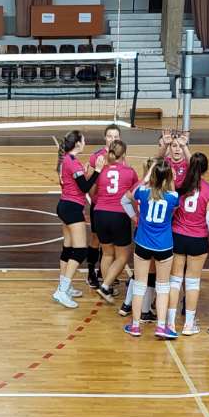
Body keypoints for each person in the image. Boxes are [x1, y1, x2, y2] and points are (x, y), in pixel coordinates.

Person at [125, 159, 179, 340]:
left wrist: (149, 173)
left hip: (143, 244)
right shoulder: (173, 197)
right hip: (164, 246)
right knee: (163, 287)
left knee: (139, 285)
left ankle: (135, 325)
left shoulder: (143, 192)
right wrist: (170, 178)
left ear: (152, 176)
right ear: (168, 177)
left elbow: (132, 195)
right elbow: (172, 194)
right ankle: (161, 326)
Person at [168, 152, 209, 335]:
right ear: (206, 169)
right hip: (198, 239)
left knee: (175, 281)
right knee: (193, 283)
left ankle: (170, 323)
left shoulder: (181, 186)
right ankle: (188, 325)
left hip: (178, 236)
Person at [90, 140, 137, 302]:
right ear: (124, 154)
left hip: (100, 214)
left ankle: (107, 287)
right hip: (119, 215)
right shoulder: (130, 172)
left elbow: (92, 193)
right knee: (122, 256)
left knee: (107, 253)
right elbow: (136, 193)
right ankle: (105, 286)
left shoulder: (101, 170)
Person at [52, 130, 92, 309]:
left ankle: (64, 286)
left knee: (68, 249)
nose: (85, 142)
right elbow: (84, 187)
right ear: (77, 143)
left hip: (64, 205)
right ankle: (62, 290)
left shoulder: (65, 160)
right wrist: (97, 171)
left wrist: (85, 173)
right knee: (81, 251)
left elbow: (74, 182)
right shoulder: (72, 161)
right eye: (84, 140)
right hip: (72, 208)